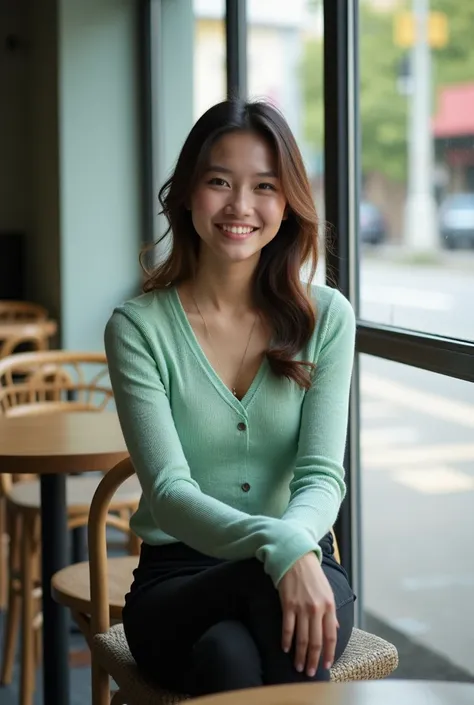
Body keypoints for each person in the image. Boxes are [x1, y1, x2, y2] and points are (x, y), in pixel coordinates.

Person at [104, 99, 356, 697]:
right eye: (219, 181)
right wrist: (281, 548)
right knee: (252, 598)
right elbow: (168, 493)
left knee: (227, 654)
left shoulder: (327, 317)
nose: (240, 206)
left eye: (264, 186)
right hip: (180, 581)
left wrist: (291, 547)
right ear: (188, 193)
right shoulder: (138, 328)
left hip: (304, 566)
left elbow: (322, 476)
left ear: (287, 202)